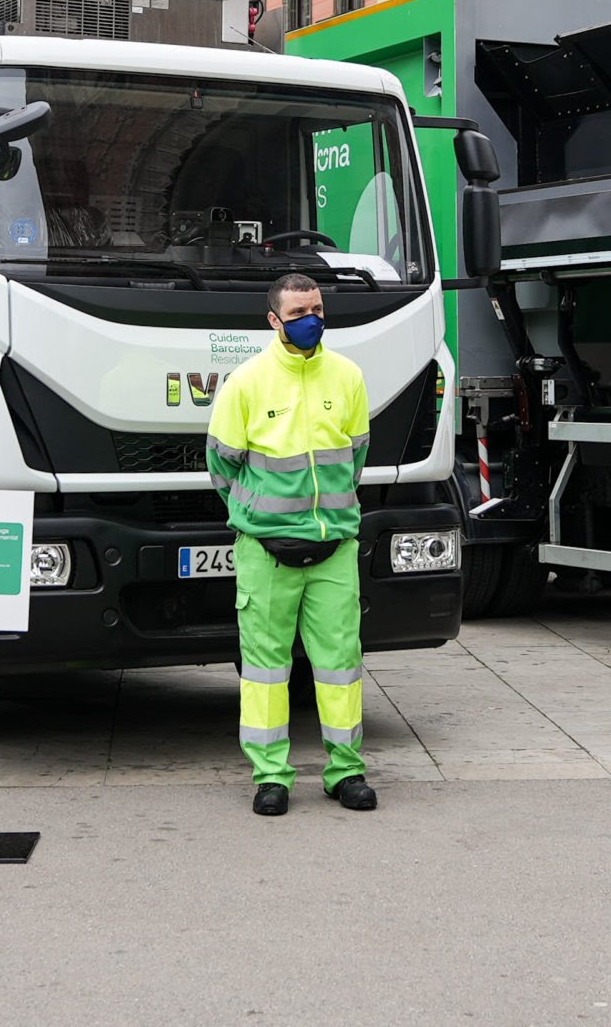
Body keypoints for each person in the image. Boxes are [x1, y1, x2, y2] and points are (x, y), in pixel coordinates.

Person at [205, 272, 376, 817]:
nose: (312, 319)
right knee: (264, 669)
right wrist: (254, 515)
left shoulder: (347, 377)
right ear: (274, 320)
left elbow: (355, 458)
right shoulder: (246, 383)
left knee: (339, 665)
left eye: (318, 308)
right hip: (265, 551)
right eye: (299, 311)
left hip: (334, 547)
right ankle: (270, 776)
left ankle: (345, 770)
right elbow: (221, 464)